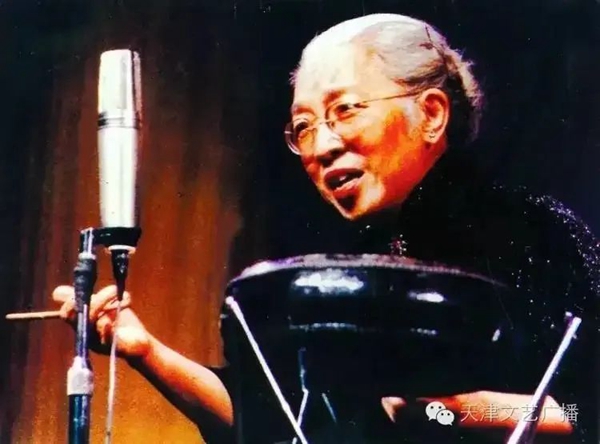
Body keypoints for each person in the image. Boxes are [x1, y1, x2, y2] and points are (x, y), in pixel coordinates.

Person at [52, 13, 598, 444]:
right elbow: (271, 421)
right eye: (304, 126)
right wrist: (145, 351)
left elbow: (584, 411)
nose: (321, 146)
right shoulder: (341, 265)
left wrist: (453, 412)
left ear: (431, 114)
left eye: (345, 111)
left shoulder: (533, 231)